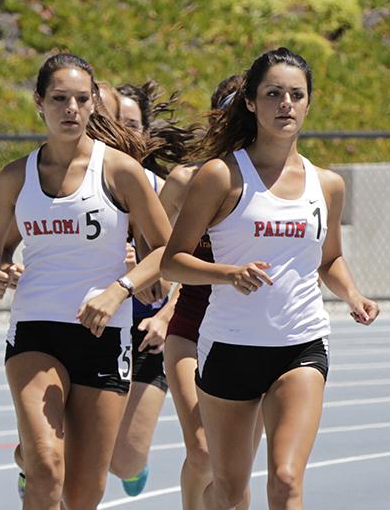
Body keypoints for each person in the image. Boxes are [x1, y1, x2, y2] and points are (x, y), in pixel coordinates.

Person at [161, 47, 379, 510]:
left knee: (284, 481)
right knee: (229, 490)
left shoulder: (328, 185)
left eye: (296, 95)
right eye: (274, 93)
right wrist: (227, 273)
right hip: (230, 348)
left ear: (308, 103)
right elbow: (173, 261)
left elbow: (329, 260)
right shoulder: (221, 177)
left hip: (300, 345)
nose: (286, 104)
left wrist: (353, 294)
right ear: (251, 103)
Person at [0, 52, 171, 510]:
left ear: (93, 107)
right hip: (35, 329)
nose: (71, 109)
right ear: (39, 102)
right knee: (46, 468)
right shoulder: (15, 177)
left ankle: (31, 449)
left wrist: (120, 289)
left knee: (83, 495)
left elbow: (165, 250)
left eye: (82, 100)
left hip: (103, 334)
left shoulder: (120, 171)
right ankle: (33, 452)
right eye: (60, 98)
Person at [161, 75, 263, 510]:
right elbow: (157, 246)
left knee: (233, 467)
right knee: (202, 450)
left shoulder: (274, 186)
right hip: (189, 325)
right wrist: (156, 297)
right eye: (229, 110)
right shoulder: (187, 180)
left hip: (248, 335)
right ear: (216, 116)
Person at [108, 80, 195, 496]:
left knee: (124, 460)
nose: (121, 132)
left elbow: (182, 261)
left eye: (131, 123)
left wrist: (164, 315)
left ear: (145, 132)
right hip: (92, 329)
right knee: (51, 448)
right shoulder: (79, 183)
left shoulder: (163, 190)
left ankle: (130, 464)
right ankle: (32, 463)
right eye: (111, 122)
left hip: (147, 333)